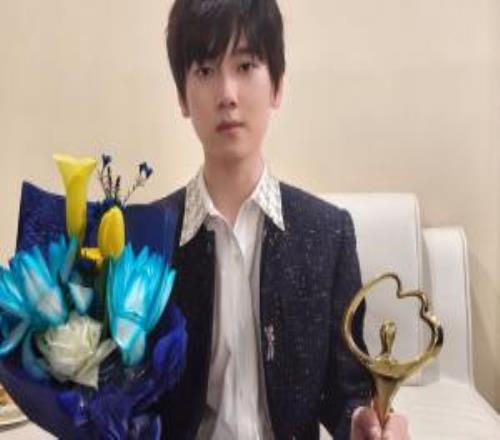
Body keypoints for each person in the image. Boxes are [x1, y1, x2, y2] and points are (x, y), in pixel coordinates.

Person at [155, 0, 410, 438]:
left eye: (246, 66)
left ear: (276, 85)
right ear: (182, 96)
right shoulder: (151, 236)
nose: (227, 94)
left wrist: (363, 422)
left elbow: (346, 391)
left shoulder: (328, 235)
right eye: (205, 70)